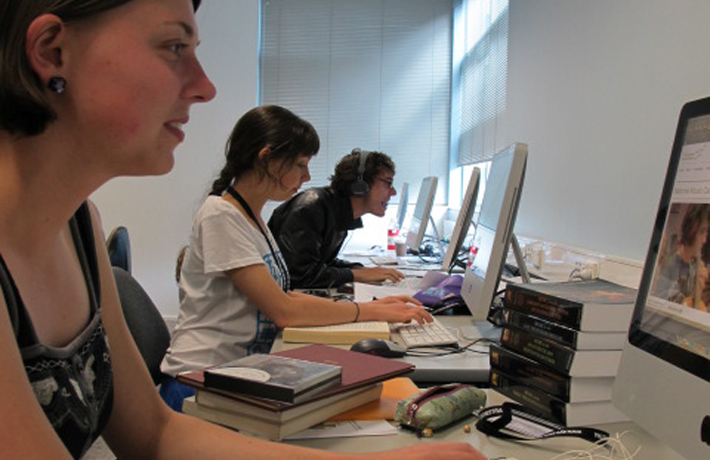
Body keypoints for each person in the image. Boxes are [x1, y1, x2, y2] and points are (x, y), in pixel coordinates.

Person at [0, 1, 488, 459]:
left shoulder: (80, 224)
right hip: (208, 383)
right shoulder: (220, 215)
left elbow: (153, 433)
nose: (204, 86)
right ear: (52, 52)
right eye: (174, 47)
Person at [161, 105, 431, 410]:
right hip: (196, 385)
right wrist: (370, 312)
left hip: (235, 375)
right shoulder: (220, 216)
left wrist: (372, 306)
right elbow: (284, 311)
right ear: (267, 159)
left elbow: (285, 295)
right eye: (301, 164)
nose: (307, 176)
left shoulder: (251, 217)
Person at [268, 149, 406, 288]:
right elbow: (299, 276)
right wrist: (356, 275)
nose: (393, 192)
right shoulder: (311, 208)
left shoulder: (338, 211)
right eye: (388, 183)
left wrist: (360, 269)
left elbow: (322, 263)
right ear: (361, 184)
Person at [653, 203, 710, 311]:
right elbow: (661, 304)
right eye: (702, 232)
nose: (704, 240)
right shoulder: (670, 265)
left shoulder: (695, 268)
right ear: (692, 230)